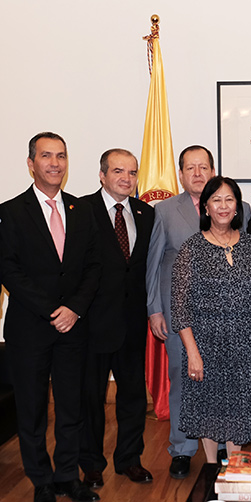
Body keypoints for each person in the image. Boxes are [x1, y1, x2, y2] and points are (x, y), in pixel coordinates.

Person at [0, 132, 101, 502]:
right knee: (32, 409)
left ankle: (66, 477)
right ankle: (41, 479)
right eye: (46, 156)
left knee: (71, 407)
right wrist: (50, 309)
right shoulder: (10, 212)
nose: (55, 163)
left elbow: (94, 266)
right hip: (30, 327)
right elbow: (9, 270)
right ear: (31, 164)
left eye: (61, 156)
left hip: (74, 326)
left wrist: (73, 308)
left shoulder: (82, 210)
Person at [146, 145, 251, 478]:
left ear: (212, 169)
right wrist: (154, 310)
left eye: (203, 167)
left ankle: (220, 446)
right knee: (184, 379)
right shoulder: (164, 211)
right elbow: (153, 264)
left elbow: (246, 259)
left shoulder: (241, 207)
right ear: (180, 174)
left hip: (227, 317)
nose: (197, 174)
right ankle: (182, 448)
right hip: (181, 316)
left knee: (222, 380)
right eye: (189, 168)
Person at [171, 176, 251, 463]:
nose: (223, 206)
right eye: (216, 200)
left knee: (240, 411)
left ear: (237, 206)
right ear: (206, 207)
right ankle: (212, 469)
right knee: (208, 410)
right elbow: (180, 306)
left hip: (246, 342)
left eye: (229, 199)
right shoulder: (192, 248)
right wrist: (192, 353)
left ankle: (234, 472)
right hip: (205, 343)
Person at [79, 149, 155, 489]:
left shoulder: (146, 213)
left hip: (132, 323)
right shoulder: (81, 210)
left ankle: (129, 459)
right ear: (102, 174)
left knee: (133, 397)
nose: (126, 178)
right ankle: (92, 463)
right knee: (91, 398)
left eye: (132, 172)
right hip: (91, 324)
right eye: (118, 171)